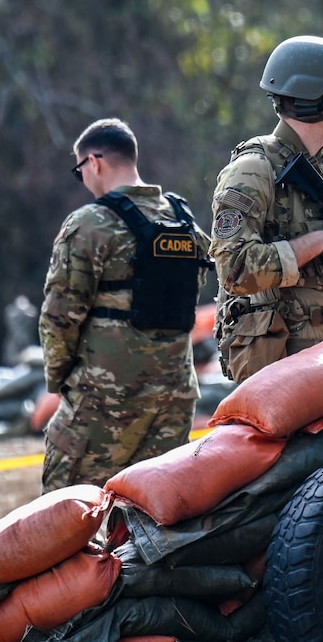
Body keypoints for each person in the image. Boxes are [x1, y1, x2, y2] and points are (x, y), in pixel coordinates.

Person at [38, 118, 210, 488]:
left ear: (94, 163)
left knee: (65, 510)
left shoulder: (90, 224)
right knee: (152, 515)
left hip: (104, 399)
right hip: (174, 399)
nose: (82, 178)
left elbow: (59, 318)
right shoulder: (185, 222)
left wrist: (60, 380)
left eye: (79, 169)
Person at [211, 36, 323, 381]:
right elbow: (234, 270)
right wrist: (320, 243)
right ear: (310, 97)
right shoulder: (254, 168)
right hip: (287, 363)